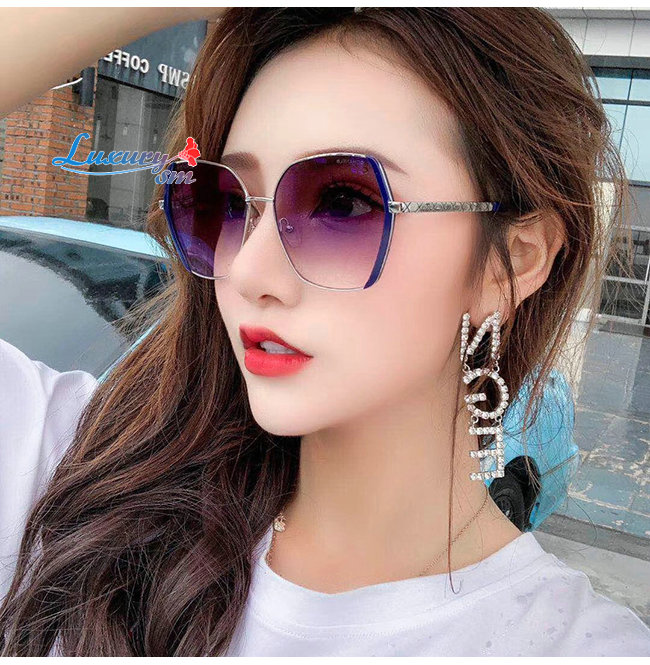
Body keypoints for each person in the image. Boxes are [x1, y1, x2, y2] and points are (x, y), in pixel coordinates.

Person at [0, 7, 649, 657]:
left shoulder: (580, 647)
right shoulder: (74, 473)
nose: (248, 269)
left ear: (511, 263)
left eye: (341, 204)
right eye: (230, 203)